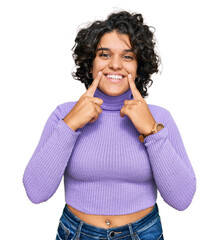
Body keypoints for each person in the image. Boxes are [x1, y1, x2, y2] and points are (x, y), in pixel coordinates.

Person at [23, 10, 196, 240]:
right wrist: (70, 125)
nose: (115, 65)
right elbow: (36, 192)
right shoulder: (64, 114)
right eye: (104, 54)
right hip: (76, 233)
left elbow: (182, 199)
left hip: (143, 233)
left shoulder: (159, 117)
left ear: (138, 66)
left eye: (127, 56)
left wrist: (152, 131)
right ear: (91, 62)